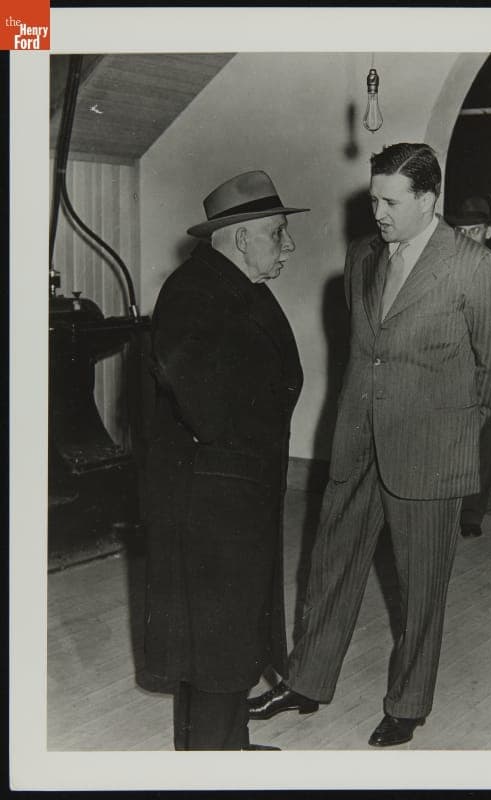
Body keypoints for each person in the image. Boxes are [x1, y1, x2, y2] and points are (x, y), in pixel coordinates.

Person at [247, 143, 491, 747]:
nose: (379, 213)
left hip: (429, 450)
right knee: (328, 567)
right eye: (373, 199)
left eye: (391, 201)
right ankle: (306, 681)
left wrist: (454, 430)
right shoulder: (362, 255)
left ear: (429, 199)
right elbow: (365, 352)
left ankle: (409, 702)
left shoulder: (476, 266)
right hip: (356, 440)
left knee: (421, 588)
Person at [142, 170, 308, 750]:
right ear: (242, 237)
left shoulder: (232, 285)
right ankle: (212, 763)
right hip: (210, 501)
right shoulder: (195, 292)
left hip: (235, 492)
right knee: (216, 637)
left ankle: (224, 746)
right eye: (279, 233)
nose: (287, 246)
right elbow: (207, 409)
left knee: (231, 629)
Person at [448, 196, 491, 538]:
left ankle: (472, 516)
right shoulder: (444, 266)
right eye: (459, 230)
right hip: (448, 371)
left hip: (486, 370)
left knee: (482, 444)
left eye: (473, 230)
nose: (465, 237)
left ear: (488, 231)